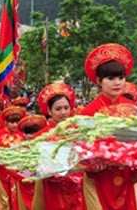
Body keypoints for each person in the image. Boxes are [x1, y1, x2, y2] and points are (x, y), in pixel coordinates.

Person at [80, 43, 137, 210]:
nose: (117, 83)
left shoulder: (132, 108)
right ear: (99, 81)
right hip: (100, 179)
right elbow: (81, 147)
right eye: (111, 78)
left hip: (127, 176)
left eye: (121, 78)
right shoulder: (89, 113)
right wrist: (91, 163)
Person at [31, 82, 85, 210]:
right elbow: (34, 164)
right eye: (58, 109)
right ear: (49, 111)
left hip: (78, 185)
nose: (63, 112)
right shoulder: (41, 136)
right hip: (53, 187)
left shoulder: (78, 131)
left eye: (66, 108)